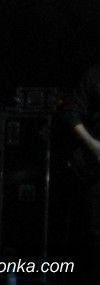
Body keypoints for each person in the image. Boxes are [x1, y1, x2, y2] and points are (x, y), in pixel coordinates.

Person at [58, 65, 100, 284]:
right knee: (94, 235)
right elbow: (71, 111)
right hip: (95, 169)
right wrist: (93, 145)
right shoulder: (95, 75)